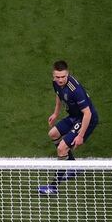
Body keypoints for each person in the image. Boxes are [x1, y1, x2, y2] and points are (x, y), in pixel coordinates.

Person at [38, 60, 99, 196]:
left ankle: (53, 187)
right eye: (57, 77)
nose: (60, 80)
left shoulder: (75, 90)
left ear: (68, 74)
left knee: (62, 148)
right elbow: (59, 96)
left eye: (63, 77)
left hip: (86, 119)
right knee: (53, 134)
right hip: (74, 115)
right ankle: (73, 167)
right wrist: (55, 113)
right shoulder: (56, 83)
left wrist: (81, 136)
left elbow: (87, 113)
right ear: (54, 76)